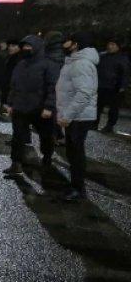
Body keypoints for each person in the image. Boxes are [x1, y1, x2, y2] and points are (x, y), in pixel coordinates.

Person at [3, 35, 60, 176]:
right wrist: (10, 103)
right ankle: (16, 163)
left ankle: (47, 160)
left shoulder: (48, 65)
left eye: (29, 46)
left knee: (46, 136)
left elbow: (52, 87)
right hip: (20, 107)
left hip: (40, 108)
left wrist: (49, 106)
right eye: (24, 47)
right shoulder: (21, 64)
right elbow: (14, 85)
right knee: (18, 138)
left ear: (37, 48)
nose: (25, 49)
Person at [56, 32, 99, 201]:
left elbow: (84, 93)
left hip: (79, 117)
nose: (63, 45)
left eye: (66, 41)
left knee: (76, 153)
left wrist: (67, 115)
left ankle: (78, 189)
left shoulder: (81, 64)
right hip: (75, 115)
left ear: (75, 44)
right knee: (73, 152)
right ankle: (75, 185)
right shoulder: (74, 62)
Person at [96, 38, 129, 133]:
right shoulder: (102, 56)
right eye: (109, 44)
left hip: (114, 87)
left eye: (113, 44)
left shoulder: (122, 58)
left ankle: (109, 126)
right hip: (101, 85)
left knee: (113, 109)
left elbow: (125, 73)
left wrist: (122, 86)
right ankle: (94, 124)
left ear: (118, 46)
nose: (110, 46)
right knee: (98, 107)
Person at [0, 39, 22, 112]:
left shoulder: (19, 59)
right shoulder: (9, 57)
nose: (10, 48)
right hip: (6, 87)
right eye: (9, 46)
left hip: (12, 90)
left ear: (19, 47)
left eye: (13, 46)